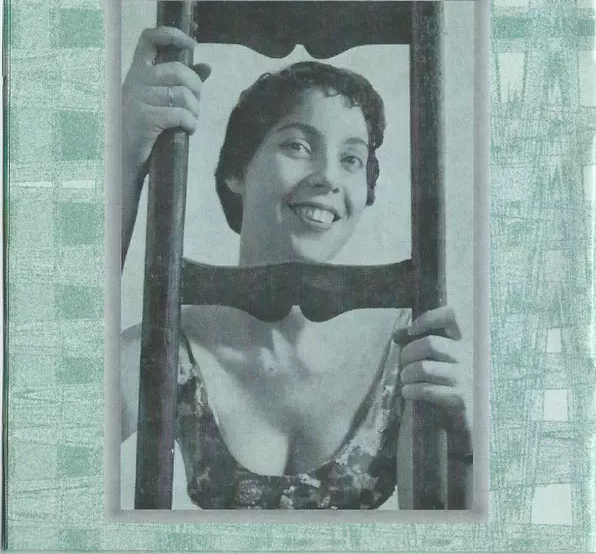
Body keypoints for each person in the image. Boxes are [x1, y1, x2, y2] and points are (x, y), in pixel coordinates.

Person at [120, 27, 472, 510]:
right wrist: (125, 153)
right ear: (236, 170)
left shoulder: (409, 350)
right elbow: (55, 423)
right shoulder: (170, 345)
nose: (328, 177)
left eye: (351, 159)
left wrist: (467, 444)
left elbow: (436, 533)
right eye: (298, 146)